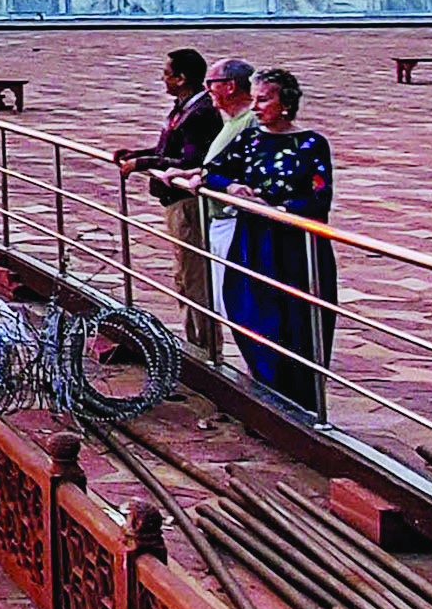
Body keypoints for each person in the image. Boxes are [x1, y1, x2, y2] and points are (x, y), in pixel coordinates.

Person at [201, 66, 337, 413]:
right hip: (252, 242)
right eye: (256, 99)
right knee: (251, 314)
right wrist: (232, 187)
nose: (257, 106)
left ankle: (302, 403)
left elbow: (319, 200)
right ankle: (265, 394)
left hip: (294, 248)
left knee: (297, 324)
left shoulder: (311, 144)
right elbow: (213, 171)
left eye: (265, 99)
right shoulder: (251, 138)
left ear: (286, 103)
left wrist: (274, 207)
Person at [117, 46, 226, 358]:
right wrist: (138, 156)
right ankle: (195, 343)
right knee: (183, 276)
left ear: (181, 78)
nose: (163, 80)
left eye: (167, 74)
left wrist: (144, 163)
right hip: (173, 200)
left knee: (193, 277)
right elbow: (169, 147)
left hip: (187, 203)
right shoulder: (184, 107)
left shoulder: (200, 112)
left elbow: (188, 159)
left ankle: (205, 349)